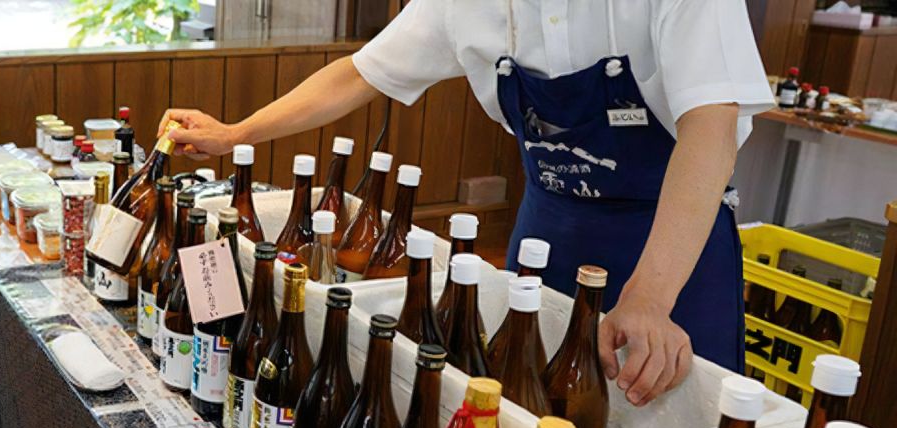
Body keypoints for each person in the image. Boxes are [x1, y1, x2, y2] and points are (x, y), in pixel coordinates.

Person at [157, 0, 775, 407]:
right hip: (549, 232)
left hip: (671, 249)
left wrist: (648, 297)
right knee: (525, 416)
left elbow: (711, 127)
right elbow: (358, 73)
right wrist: (235, 134)